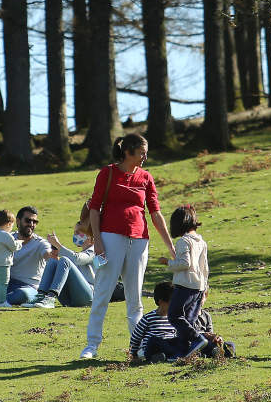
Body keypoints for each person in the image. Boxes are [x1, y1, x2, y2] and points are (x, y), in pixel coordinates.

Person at [81, 133, 175, 360]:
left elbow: (155, 213)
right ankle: (92, 345)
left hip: (139, 240)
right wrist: (98, 242)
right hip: (110, 237)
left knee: (135, 298)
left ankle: (138, 347)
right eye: (142, 152)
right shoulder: (108, 173)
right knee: (102, 292)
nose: (145, 157)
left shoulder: (146, 177)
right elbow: (94, 208)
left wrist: (171, 246)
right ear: (128, 152)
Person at [160, 205, 210, 360]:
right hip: (198, 286)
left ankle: (197, 339)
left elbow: (184, 263)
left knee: (174, 316)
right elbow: (205, 267)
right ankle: (184, 351)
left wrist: (167, 262)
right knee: (188, 320)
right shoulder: (201, 242)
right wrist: (204, 287)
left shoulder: (184, 241)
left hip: (185, 286)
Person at [23, 209, 97, 309]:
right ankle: (41, 296)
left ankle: (50, 298)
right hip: (69, 299)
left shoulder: (94, 250)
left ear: (89, 236)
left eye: (78, 232)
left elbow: (78, 259)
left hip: (87, 298)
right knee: (54, 261)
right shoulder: (81, 252)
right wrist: (56, 252)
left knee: (65, 260)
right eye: (75, 232)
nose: (75, 234)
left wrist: (58, 245)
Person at [130, 281, 183, 363]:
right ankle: (162, 356)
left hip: (169, 346)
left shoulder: (174, 318)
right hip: (153, 348)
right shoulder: (148, 318)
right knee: (155, 340)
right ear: (161, 302)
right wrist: (133, 355)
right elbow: (136, 338)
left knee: (180, 339)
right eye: (172, 303)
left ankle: (166, 356)